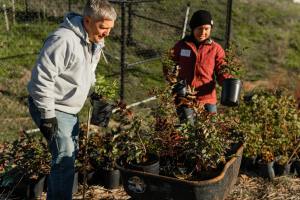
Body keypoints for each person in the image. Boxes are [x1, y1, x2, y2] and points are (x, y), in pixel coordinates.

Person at [27, 0, 116, 199]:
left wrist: (94, 92)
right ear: (87, 20)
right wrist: (48, 116)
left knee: (69, 156)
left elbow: (89, 70)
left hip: (69, 109)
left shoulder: (95, 41)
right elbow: (42, 79)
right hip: (51, 106)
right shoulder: (63, 40)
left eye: (110, 29)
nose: (106, 34)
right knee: (63, 159)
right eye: (103, 27)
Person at [169, 9, 232, 120]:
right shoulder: (181, 46)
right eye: (199, 29)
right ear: (193, 29)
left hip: (207, 98)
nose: (203, 32)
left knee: (209, 130)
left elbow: (222, 69)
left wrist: (228, 82)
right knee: (188, 129)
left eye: (206, 29)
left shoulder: (215, 49)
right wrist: (174, 82)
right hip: (185, 97)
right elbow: (169, 64)